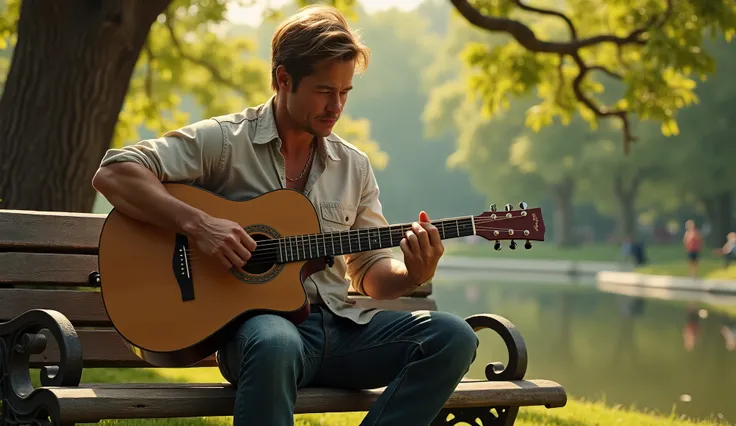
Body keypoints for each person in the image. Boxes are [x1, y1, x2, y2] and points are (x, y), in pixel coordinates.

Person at [91, 5, 478, 426]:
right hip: (259, 337)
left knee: (452, 337)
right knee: (276, 340)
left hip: (340, 331)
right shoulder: (224, 142)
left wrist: (413, 274)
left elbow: (369, 274)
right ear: (283, 79)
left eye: (346, 92)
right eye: (324, 90)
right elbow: (114, 172)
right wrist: (199, 225)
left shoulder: (354, 166)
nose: (336, 106)